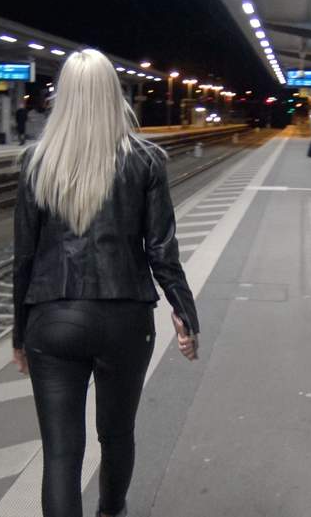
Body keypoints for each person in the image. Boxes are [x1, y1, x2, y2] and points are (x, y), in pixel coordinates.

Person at [13, 49, 199, 517]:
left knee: (61, 452)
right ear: (114, 95)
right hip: (125, 319)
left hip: (52, 319)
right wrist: (184, 312)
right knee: (117, 436)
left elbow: (24, 258)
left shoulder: (37, 162)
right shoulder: (146, 160)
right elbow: (162, 250)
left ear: (64, 97)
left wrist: (19, 334)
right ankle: (110, 512)